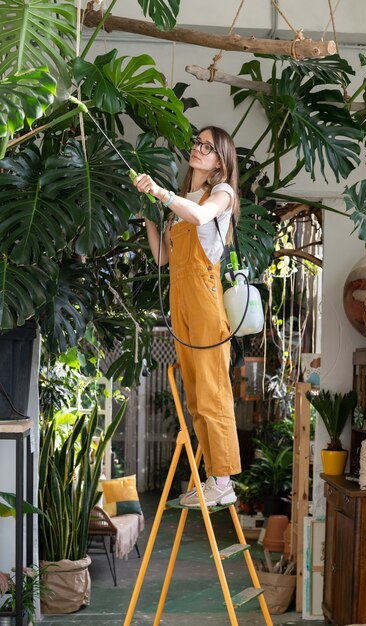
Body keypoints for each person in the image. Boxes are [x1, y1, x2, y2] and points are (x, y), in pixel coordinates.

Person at [134, 126, 241, 507]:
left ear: (220, 160)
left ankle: (223, 479)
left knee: (213, 389)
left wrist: (162, 194)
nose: (198, 149)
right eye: (197, 142)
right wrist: (150, 214)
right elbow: (163, 257)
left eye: (208, 147)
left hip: (204, 296)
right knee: (196, 394)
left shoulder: (220, 193)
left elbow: (200, 217)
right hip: (179, 296)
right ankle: (215, 476)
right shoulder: (184, 200)